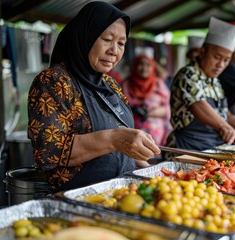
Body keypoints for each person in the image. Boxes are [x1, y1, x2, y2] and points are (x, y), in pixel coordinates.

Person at [27, 2, 160, 192]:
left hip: (121, 194)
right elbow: (48, 153)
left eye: (121, 43)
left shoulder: (111, 84)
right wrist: (113, 139)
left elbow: (122, 149)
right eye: (107, 39)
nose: (114, 50)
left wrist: (152, 175)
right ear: (85, 36)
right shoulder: (54, 82)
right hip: (78, 199)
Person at [166, 17, 235, 153]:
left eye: (226, 60)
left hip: (211, 148)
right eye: (217, 57)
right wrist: (225, 127)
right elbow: (199, 105)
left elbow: (226, 117)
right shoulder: (188, 74)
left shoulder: (215, 81)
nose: (221, 65)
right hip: (186, 149)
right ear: (202, 52)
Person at [122, 54, 172, 146]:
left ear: (153, 67)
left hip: (157, 138)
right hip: (131, 136)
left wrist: (150, 113)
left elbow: (170, 107)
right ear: (135, 65)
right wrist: (134, 110)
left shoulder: (158, 84)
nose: (144, 68)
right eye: (141, 64)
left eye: (148, 65)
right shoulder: (126, 84)